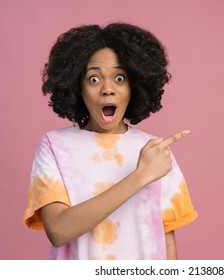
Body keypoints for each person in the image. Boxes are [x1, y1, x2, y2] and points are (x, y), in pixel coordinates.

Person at [23, 22, 198, 260]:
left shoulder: (155, 152)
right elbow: (58, 230)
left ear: (134, 86)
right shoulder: (55, 146)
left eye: (119, 78)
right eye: (94, 79)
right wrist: (140, 177)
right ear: (78, 87)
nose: (107, 89)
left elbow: (166, 241)